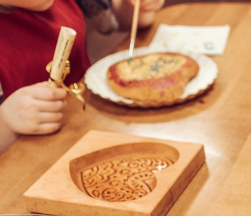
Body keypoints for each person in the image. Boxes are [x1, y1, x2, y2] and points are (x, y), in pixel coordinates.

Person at [0, 0, 163, 153]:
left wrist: (138, 9)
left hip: (92, 121)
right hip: (32, 157)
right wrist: (6, 122)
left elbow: (112, 20)